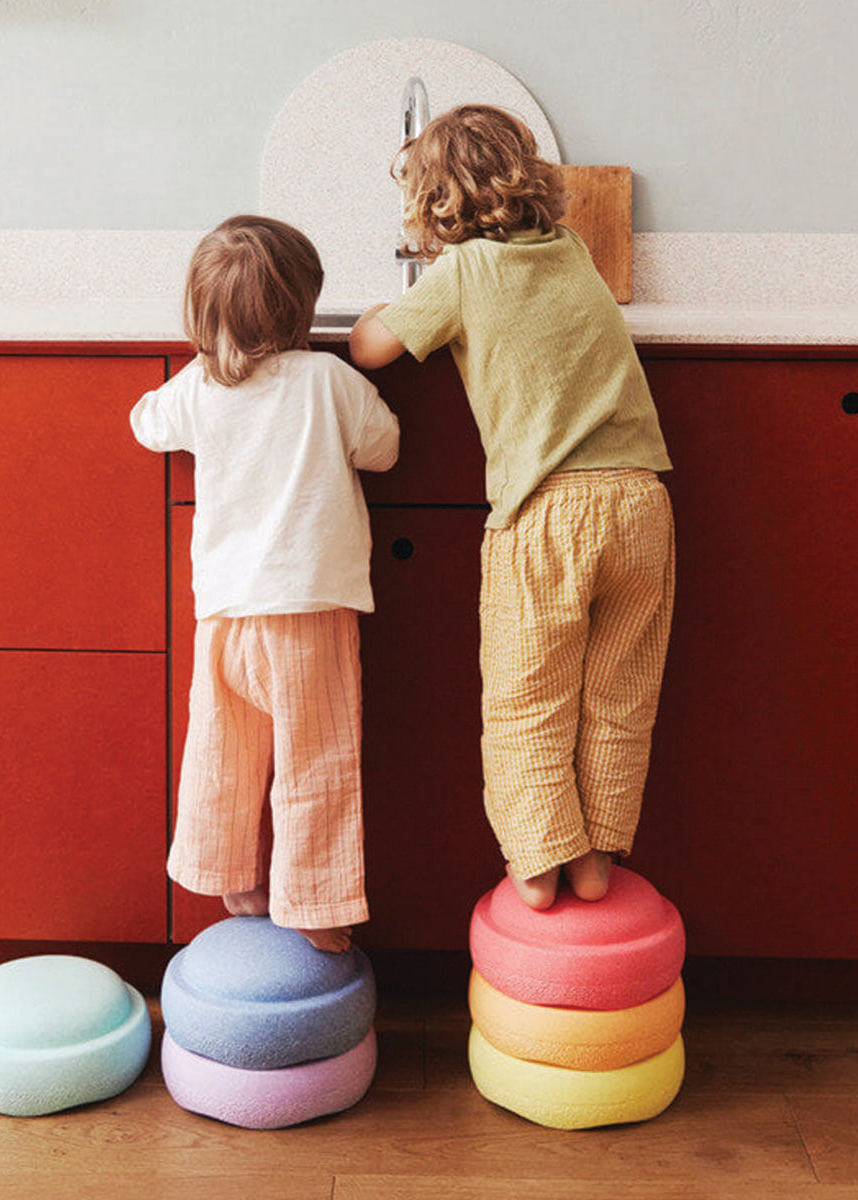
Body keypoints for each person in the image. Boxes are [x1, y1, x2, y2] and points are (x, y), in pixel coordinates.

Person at [350, 105, 674, 911]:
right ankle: (595, 860)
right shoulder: (572, 251)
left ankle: (536, 868)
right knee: (617, 696)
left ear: (434, 204)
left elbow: (369, 348)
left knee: (528, 699)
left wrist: (385, 307)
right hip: (641, 503)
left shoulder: (463, 275)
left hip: (548, 516)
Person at [131, 215, 399, 951]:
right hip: (309, 609)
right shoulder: (330, 381)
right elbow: (385, 448)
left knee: (224, 749)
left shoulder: (199, 386)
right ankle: (317, 905)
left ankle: (231, 875)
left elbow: (145, 423)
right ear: (304, 307)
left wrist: (202, 366)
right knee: (317, 760)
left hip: (223, 614)